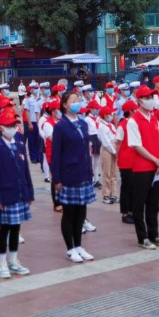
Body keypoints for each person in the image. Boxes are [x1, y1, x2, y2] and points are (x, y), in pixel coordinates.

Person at [0, 108, 34, 278]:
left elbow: (26, 170)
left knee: (16, 228)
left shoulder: (19, 145)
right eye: (8, 125)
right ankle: (2, 262)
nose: (12, 128)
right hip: (5, 195)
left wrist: (30, 192)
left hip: (20, 193)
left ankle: (13, 259)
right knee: (4, 229)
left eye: (14, 125)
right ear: (1, 127)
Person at [51, 91, 95, 263]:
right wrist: (57, 178)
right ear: (64, 105)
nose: (76, 103)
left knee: (81, 213)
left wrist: (90, 171)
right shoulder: (60, 127)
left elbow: (86, 150)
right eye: (73, 101)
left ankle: (79, 246)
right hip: (68, 174)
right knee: (69, 213)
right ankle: (70, 248)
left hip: (83, 173)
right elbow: (56, 155)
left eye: (78, 100)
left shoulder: (83, 124)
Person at [127, 86, 159, 250]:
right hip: (142, 168)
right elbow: (137, 146)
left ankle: (154, 234)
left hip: (155, 167)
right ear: (139, 100)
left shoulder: (153, 119)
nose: (150, 100)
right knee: (139, 204)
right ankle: (142, 237)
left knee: (153, 203)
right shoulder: (133, 120)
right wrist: (155, 160)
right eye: (147, 97)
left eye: (152, 96)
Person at [115, 100, 138, 224]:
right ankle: (125, 213)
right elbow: (118, 143)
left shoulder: (134, 123)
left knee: (134, 187)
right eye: (135, 109)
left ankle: (132, 210)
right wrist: (118, 159)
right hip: (126, 160)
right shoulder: (122, 125)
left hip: (134, 160)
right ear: (130, 111)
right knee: (126, 187)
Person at [97, 104, 118, 205]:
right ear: (105, 115)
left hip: (113, 147)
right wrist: (114, 152)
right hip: (107, 149)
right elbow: (106, 142)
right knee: (107, 173)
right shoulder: (102, 126)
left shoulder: (111, 125)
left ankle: (113, 194)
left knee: (113, 173)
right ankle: (106, 195)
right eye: (110, 113)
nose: (112, 115)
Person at [39, 100, 60, 203]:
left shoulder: (62, 121)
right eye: (58, 110)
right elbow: (54, 139)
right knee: (55, 178)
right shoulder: (47, 124)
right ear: (53, 111)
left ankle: (62, 199)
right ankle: (56, 202)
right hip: (53, 154)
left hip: (63, 153)